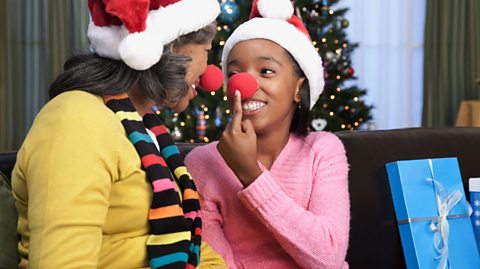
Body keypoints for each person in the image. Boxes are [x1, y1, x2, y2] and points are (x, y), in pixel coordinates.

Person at [11, 0, 226, 268]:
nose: (210, 71)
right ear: (171, 49)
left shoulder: (144, 127)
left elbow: (185, 241)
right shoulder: (76, 119)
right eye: (207, 50)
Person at [184, 0, 350, 268]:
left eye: (266, 71)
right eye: (235, 73)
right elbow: (217, 264)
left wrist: (251, 174)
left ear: (299, 88)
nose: (245, 85)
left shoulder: (323, 151)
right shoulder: (201, 163)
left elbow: (328, 257)